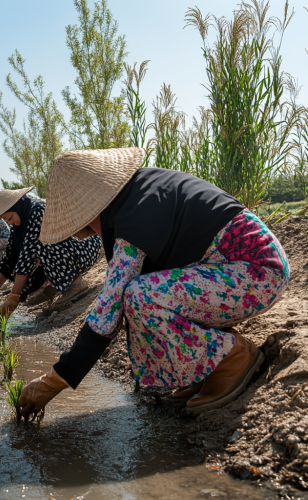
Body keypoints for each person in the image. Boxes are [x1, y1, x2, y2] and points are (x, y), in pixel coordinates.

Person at [18, 147, 290, 420]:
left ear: (89, 208)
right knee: (141, 293)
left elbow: (109, 308)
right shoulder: (138, 193)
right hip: (234, 272)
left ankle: (231, 357)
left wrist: (52, 381)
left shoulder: (136, 211)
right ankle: (203, 365)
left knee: (139, 296)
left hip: (257, 274)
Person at [0, 187, 103, 319]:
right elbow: (10, 257)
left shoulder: (36, 211)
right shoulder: (18, 225)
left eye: (9, 218)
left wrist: (13, 297)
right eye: (7, 221)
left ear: (16, 207)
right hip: (67, 252)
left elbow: (28, 254)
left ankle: (76, 284)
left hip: (83, 247)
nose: (10, 223)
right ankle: (56, 286)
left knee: (41, 246)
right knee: (20, 265)